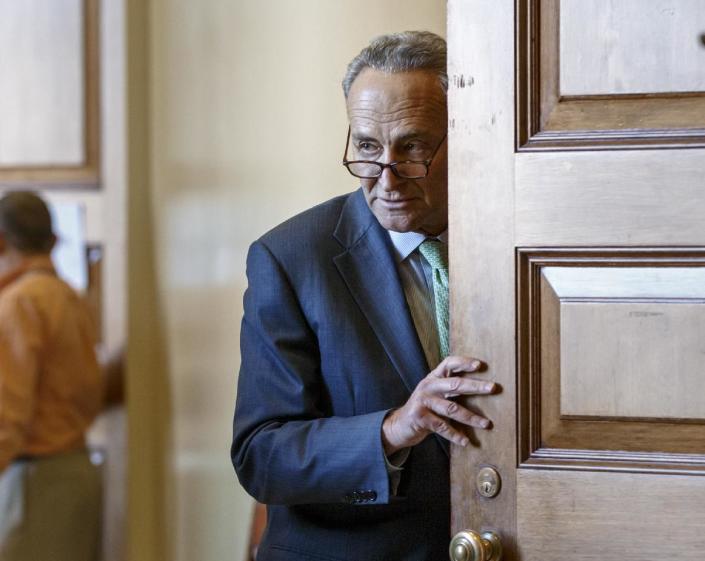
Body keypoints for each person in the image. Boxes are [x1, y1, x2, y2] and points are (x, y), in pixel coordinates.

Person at [232, 31, 496, 561]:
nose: (386, 177)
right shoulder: (289, 258)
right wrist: (396, 427)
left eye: (414, 146)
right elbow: (261, 455)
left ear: (463, 134)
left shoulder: (516, 245)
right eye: (368, 148)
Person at [0, 191, 103, 561]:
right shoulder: (70, 297)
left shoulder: (18, 305)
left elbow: (6, 418)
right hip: (75, 472)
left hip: (34, 484)